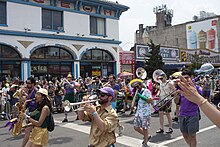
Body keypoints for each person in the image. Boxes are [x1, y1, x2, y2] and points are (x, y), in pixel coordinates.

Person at [178, 70, 203, 147]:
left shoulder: (197, 88)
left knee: (192, 135)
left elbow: (200, 101)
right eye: (183, 78)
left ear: (192, 77)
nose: (185, 80)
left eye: (187, 78)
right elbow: (177, 102)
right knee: (185, 135)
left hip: (192, 114)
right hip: (182, 114)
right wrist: (176, 93)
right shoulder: (181, 88)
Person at [132, 81, 153, 147]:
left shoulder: (146, 91)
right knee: (136, 127)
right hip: (138, 112)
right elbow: (136, 102)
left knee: (145, 128)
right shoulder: (136, 92)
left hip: (145, 112)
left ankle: (145, 142)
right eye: (135, 87)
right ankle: (147, 136)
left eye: (137, 86)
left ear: (141, 85)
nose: (136, 88)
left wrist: (141, 96)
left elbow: (150, 101)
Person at [21, 77, 38, 147]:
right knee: (31, 132)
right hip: (30, 113)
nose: (27, 84)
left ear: (33, 84)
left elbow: (36, 102)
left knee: (28, 130)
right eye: (26, 83)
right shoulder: (28, 91)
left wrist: (27, 100)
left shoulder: (36, 91)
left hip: (35, 113)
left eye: (29, 83)